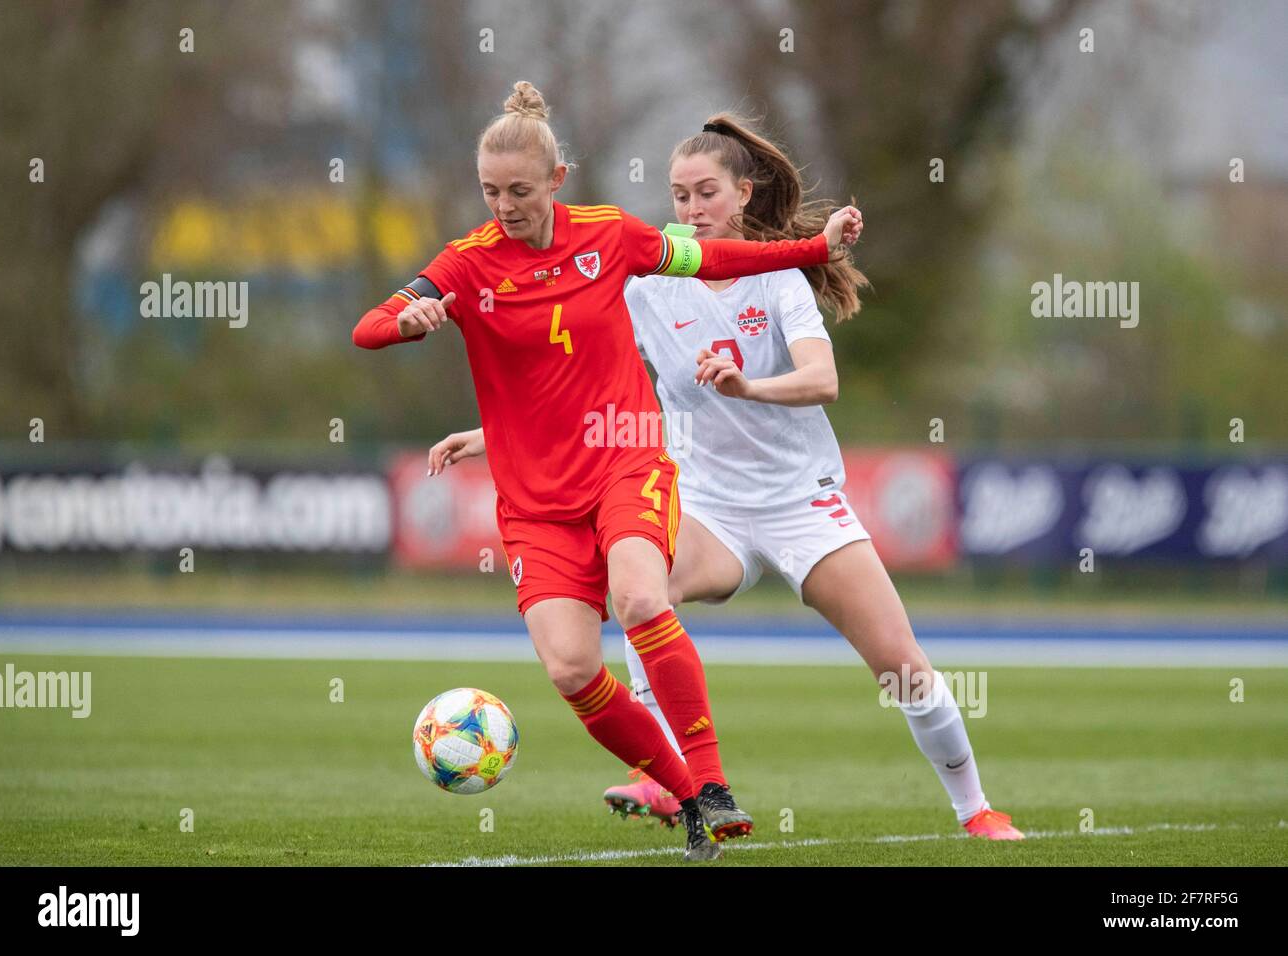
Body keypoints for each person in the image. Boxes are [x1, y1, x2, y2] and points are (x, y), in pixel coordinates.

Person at [428, 113, 1024, 841]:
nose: (690, 210)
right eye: (678, 196)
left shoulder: (775, 280)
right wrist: (492, 436)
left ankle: (977, 810)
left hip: (801, 503)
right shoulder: (648, 284)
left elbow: (823, 380)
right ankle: (668, 773)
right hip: (707, 503)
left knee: (902, 666)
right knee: (640, 594)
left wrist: (748, 388)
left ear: (742, 194)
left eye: (705, 193)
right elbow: (579, 381)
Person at [354, 83, 863, 861]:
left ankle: (714, 782)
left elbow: (717, 255)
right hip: (534, 503)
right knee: (569, 666)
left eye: (520, 191)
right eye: (490, 192)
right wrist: (408, 322)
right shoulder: (466, 263)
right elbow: (367, 328)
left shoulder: (613, 236)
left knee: (637, 596)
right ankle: (689, 798)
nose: (504, 206)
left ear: (558, 181)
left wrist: (814, 249)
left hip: (627, 461)